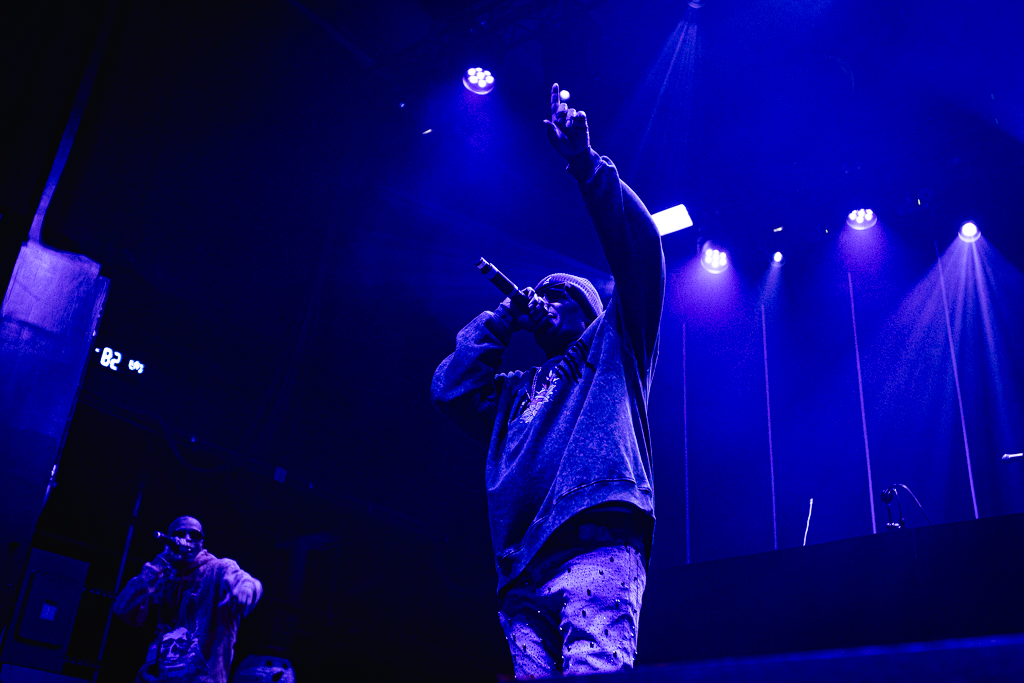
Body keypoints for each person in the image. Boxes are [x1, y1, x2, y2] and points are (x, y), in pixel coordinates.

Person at [431, 83, 665, 678]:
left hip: (596, 539)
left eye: (560, 294)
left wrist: (585, 164)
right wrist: (502, 318)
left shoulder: (616, 342)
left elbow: (641, 251)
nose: (544, 300)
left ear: (589, 310)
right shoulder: (516, 391)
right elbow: (451, 389)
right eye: (540, 294)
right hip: (523, 565)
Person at [113, 516, 262, 683]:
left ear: (201, 543)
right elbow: (122, 608)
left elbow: (247, 581)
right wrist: (160, 562)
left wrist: (245, 590)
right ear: (169, 540)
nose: (187, 538)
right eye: (180, 534)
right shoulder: (161, 576)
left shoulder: (218, 569)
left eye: (195, 535)